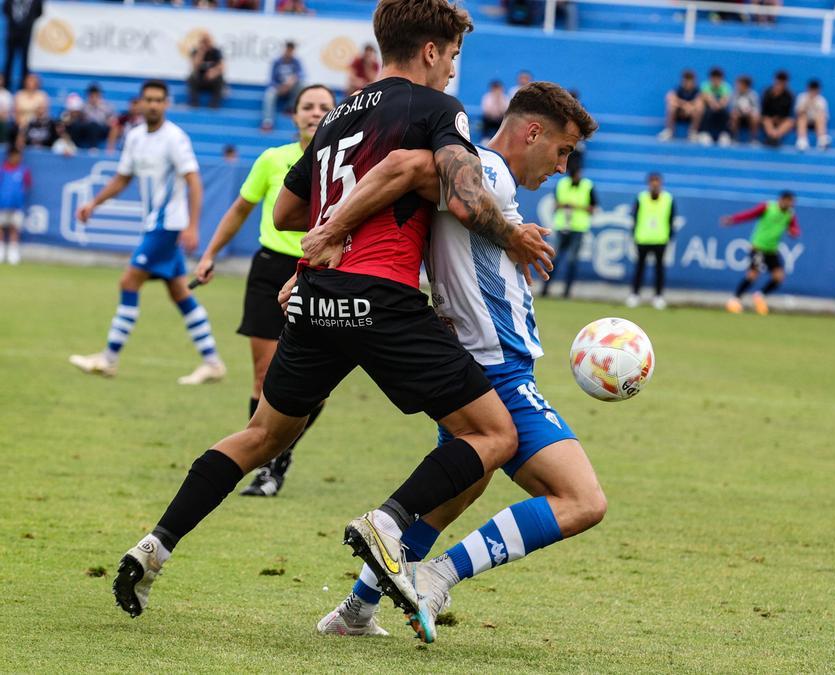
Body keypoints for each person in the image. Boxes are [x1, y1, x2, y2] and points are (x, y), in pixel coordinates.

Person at [109, 1, 555, 644]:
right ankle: (392, 522)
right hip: (383, 297)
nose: (455, 69)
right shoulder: (436, 111)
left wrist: (338, 221)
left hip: (318, 298)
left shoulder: (337, 117)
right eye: (454, 54)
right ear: (431, 50)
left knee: (261, 433)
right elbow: (459, 192)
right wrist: (509, 232)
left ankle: (154, 546)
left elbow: (290, 211)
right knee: (494, 435)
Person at [313, 81, 600, 640]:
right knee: (582, 500)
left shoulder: (487, 182)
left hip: (478, 363)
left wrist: (511, 230)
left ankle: (354, 610)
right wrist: (335, 231)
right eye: (562, 150)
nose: (564, 167)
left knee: (461, 485)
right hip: (499, 368)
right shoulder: (484, 169)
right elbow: (410, 168)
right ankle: (436, 577)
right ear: (532, 131)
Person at [194, 85, 337, 497]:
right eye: (307, 107)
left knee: (316, 384)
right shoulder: (272, 159)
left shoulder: (349, 161)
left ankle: (279, 456)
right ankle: (266, 465)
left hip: (322, 274)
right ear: (293, 116)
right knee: (264, 376)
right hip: (270, 270)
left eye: (324, 107)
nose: (315, 113)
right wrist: (209, 254)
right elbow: (239, 209)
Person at [68, 80, 224, 384]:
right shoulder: (135, 137)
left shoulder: (175, 139)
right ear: (140, 103)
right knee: (179, 292)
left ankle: (109, 359)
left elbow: (193, 181)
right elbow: (122, 178)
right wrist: (93, 204)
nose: (153, 105)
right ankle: (213, 361)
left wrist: (192, 225)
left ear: (166, 104)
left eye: (158, 100)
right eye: (148, 99)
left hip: (168, 225)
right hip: (153, 223)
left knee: (129, 281)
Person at [721, 190, 799, 315]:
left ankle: (759, 297)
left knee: (778, 277)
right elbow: (750, 214)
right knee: (753, 275)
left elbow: (795, 229)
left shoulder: (790, 214)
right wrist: (733, 219)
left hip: (772, 250)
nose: (792, 205)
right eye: (790, 202)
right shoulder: (768, 207)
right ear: (783, 199)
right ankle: (734, 300)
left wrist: (793, 232)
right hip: (758, 247)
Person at [543, 164, 594, 299]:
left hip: (578, 227)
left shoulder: (588, 186)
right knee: (554, 258)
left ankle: (567, 291)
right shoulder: (562, 184)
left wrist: (576, 207)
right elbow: (555, 204)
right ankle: (545, 289)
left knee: (572, 260)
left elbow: (593, 208)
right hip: (562, 226)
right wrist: (564, 205)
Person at [627, 172, 674, 310]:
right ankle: (634, 295)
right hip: (643, 238)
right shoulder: (641, 197)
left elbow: (671, 219)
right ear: (648, 183)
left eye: (657, 181)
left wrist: (669, 236)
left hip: (660, 239)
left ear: (661, 183)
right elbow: (634, 217)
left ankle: (658, 296)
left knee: (659, 270)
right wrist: (635, 235)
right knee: (639, 269)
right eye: (652, 182)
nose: (654, 184)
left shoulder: (668, 199)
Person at [261, 41, 305, 131]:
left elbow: (301, 74)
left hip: (291, 88)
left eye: (291, 50)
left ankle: (291, 107)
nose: (289, 52)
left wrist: (292, 80)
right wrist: (279, 87)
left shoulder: (296, 61)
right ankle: (267, 121)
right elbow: (271, 79)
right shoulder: (277, 62)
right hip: (278, 88)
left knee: (301, 86)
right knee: (269, 94)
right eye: (288, 50)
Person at [3, 0, 42, 94]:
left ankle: (24, 86)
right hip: (12, 32)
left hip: (26, 33)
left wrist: (27, 22)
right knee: (9, 60)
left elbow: (39, 12)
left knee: (25, 61)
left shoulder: (36, 2)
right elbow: (5, 9)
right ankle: (5, 85)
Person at [0, 146, 30, 265]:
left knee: (15, 228)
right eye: (14, 155)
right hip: (2, 205)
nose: (16, 158)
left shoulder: (24, 170)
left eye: (18, 155)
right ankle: (1, 252)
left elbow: (27, 186)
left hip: (17, 206)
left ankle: (13, 253)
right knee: (1, 228)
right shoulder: (2, 170)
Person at [657, 69, 702, 142]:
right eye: (686, 81)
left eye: (690, 81)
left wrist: (691, 107)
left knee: (699, 108)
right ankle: (669, 131)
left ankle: (693, 132)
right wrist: (685, 105)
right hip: (679, 113)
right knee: (671, 106)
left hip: (691, 114)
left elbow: (699, 102)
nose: (688, 83)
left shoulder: (697, 91)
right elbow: (669, 97)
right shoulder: (678, 89)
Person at [69, 84, 114, 150]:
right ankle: (73, 146)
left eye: (96, 95)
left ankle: (93, 147)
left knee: (94, 125)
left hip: (101, 128)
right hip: (87, 128)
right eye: (91, 95)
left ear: (99, 95)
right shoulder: (83, 106)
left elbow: (112, 120)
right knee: (76, 125)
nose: (93, 98)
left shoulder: (107, 106)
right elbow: (78, 118)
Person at [187, 32, 225, 109]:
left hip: (212, 79)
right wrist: (201, 52)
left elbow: (222, 66)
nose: (206, 44)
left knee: (220, 79)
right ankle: (194, 103)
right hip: (200, 79)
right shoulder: (195, 51)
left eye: (207, 41)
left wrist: (214, 72)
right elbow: (195, 66)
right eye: (203, 41)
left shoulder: (216, 51)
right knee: (191, 78)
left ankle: (214, 105)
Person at [698, 67, 732, 146]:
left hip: (721, 109)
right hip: (708, 108)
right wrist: (713, 104)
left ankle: (724, 134)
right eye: (714, 78)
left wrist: (719, 105)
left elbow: (725, 100)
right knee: (704, 110)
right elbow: (707, 97)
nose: (716, 80)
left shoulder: (726, 86)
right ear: (710, 78)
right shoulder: (705, 85)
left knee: (725, 113)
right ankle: (704, 133)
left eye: (718, 78)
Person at [760, 70, 794, 148]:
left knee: (790, 122)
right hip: (768, 118)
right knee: (766, 120)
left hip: (782, 119)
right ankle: (773, 137)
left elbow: (788, 113)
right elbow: (764, 110)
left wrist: (779, 118)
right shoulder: (767, 93)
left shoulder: (789, 95)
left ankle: (774, 137)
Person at [795, 78, 830, 151]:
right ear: (808, 89)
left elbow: (825, 117)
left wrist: (815, 106)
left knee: (820, 116)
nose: (813, 92)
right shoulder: (802, 97)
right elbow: (797, 113)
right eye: (812, 90)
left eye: (815, 90)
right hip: (803, 122)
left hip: (816, 123)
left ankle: (822, 140)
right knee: (802, 117)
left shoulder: (821, 100)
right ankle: (802, 140)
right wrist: (807, 103)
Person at [728, 75, 759, 144]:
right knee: (734, 115)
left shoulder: (753, 95)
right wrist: (739, 112)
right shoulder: (734, 94)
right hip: (738, 116)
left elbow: (756, 109)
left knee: (755, 117)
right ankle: (734, 138)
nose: (737, 86)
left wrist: (749, 112)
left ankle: (754, 139)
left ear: (745, 85)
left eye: (739, 84)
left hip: (749, 116)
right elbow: (732, 108)